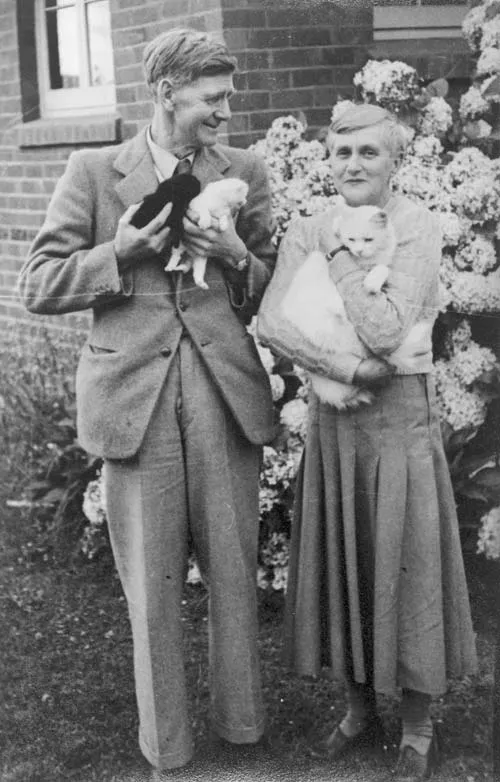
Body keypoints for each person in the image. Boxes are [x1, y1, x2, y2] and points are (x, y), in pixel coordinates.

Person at [18, 28, 277, 774]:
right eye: (212, 98)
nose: (226, 112)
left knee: (233, 570)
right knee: (152, 586)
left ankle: (244, 732)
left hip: (223, 389)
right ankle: (169, 747)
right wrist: (120, 255)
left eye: (228, 96)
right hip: (136, 396)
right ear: (166, 94)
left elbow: (269, 287)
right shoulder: (97, 171)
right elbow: (37, 283)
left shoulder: (245, 170)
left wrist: (232, 254)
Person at [257, 104, 477, 780]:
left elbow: (388, 328)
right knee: (343, 554)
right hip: (336, 420)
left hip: (398, 423)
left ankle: (415, 727)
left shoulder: (415, 226)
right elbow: (271, 322)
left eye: (368, 154)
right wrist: (349, 369)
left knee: (405, 555)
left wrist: (338, 261)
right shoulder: (307, 224)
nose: (352, 166)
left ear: (394, 162)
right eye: (342, 153)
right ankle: (358, 710)